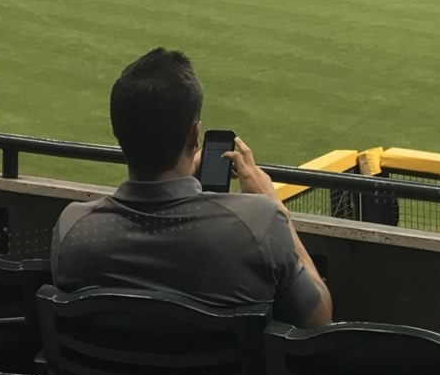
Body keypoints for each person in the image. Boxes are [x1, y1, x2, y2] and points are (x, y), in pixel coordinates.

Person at [48, 48, 332, 325]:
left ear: (117, 132)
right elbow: (319, 319)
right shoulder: (260, 223)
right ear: (195, 134)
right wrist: (277, 208)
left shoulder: (73, 230)